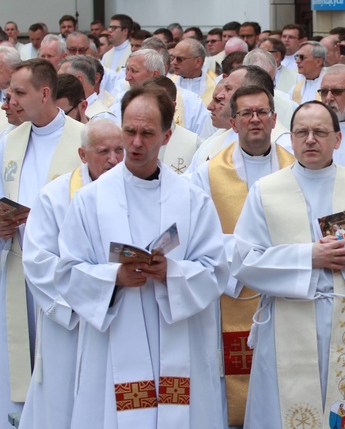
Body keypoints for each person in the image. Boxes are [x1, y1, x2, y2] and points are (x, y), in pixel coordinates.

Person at [55, 84, 228, 428]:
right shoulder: (90, 200)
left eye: (147, 133)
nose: (135, 143)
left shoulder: (192, 199)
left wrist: (172, 272)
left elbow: (216, 271)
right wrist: (114, 278)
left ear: (166, 136)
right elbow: (68, 273)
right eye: (129, 131)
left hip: (180, 338)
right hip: (114, 335)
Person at [232, 99, 345, 428]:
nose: (310, 139)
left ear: (337, 139)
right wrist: (308, 257)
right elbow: (244, 260)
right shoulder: (266, 191)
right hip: (287, 321)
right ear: (291, 138)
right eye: (301, 132)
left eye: (319, 132)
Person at [191, 84, 294, 426]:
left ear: (274, 119)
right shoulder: (207, 173)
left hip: (285, 297)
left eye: (262, 112)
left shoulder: (297, 169)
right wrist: (252, 261)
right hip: (231, 296)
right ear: (232, 123)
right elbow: (200, 238)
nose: (255, 120)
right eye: (246, 113)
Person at [19, 119, 124, 429]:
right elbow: (38, 260)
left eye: (119, 149)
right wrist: (92, 294)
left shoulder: (135, 191)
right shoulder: (54, 195)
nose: (114, 159)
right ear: (82, 154)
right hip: (71, 323)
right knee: (62, 403)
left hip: (118, 319)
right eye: (103, 151)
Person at [0, 59, 84, 420]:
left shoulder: (83, 137)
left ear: (45, 93)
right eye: (9, 93)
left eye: (19, 93)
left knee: (61, 369)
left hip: (61, 271)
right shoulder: (9, 141)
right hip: (16, 263)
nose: (11, 101)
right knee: (18, 362)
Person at [170, 38, 216, 106]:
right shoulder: (167, 86)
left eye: (179, 59)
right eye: (172, 58)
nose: (174, 62)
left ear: (198, 62)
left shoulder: (215, 88)